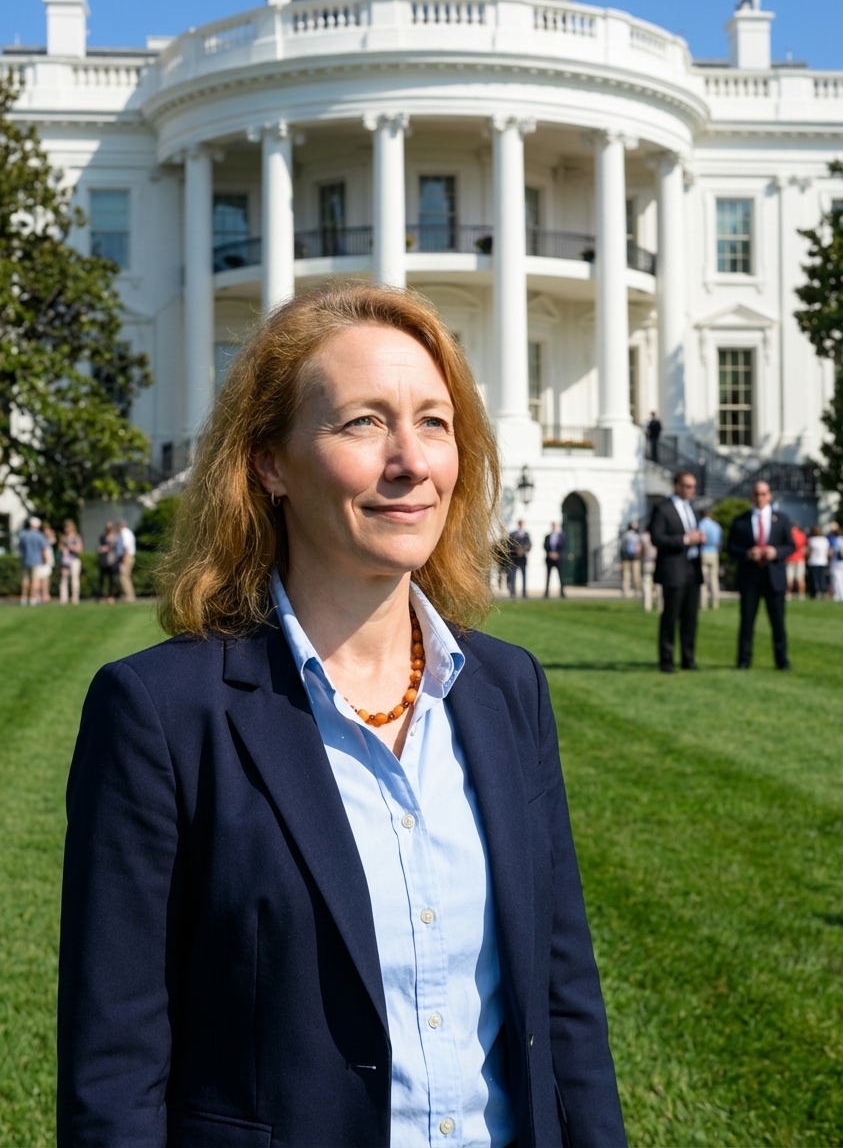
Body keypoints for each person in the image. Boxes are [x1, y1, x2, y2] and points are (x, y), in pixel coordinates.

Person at [58, 285, 626, 1148]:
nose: (412, 462)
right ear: (269, 463)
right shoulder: (162, 715)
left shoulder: (506, 690)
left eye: (434, 423)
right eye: (363, 422)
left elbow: (563, 1001)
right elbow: (115, 1069)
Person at [727, 481, 795, 670]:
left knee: (778, 623)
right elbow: (731, 547)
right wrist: (748, 553)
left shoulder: (781, 519)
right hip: (750, 578)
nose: (760, 498)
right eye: (757, 494)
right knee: (747, 622)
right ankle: (743, 660)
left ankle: (782, 661)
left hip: (774, 577)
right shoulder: (741, 520)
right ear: (752, 496)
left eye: (764, 494)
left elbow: (790, 545)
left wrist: (776, 552)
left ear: (770, 495)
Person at [649, 471, 705, 672]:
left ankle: (688, 659)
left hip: (692, 568)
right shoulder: (663, 509)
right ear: (677, 486)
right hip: (672, 569)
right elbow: (657, 538)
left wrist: (699, 538)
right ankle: (666, 660)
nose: (692, 490)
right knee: (670, 617)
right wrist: (684, 540)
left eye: (693, 487)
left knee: (691, 617)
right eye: (688, 486)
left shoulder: (692, 509)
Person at [18, 516, 49, 606]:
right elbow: (43, 549)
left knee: (25, 579)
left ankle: (23, 598)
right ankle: (32, 598)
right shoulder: (39, 535)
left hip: (25, 560)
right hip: (36, 560)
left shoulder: (23, 534)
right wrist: (45, 559)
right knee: (35, 580)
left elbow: (20, 547)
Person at [697, 507, 723, 610]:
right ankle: (715, 603)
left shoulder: (700, 525)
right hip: (714, 553)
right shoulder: (716, 526)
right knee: (714, 579)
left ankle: (703, 603)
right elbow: (719, 541)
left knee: (703, 580)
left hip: (704, 552)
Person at [59, 520, 84, 605]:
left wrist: (71, 547)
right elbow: (60, 549)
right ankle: (63, 598)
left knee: (74, 579)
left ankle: (75, 598)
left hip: (74, 560)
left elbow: (80, 550)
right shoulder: (63, 538)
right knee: (64, 579)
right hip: (65, 561)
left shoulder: (76, 537)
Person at [507, 518, 531, 599]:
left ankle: (524, 592)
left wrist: (523, 550)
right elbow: (509, 545)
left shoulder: (526, 534)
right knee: (513, 575)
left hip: (522, 558)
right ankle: (512, 592)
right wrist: (517, 550)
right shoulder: (513, 534)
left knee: (524, 576)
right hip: (514, 558)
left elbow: (529, 545)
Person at [96, 522, 120, 604]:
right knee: (102, 579)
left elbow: (118, 549)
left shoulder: (116, 537)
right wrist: (102, 549)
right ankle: (101, 596)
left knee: (112, 580)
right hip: (104, 561)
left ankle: (111, 596)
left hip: (113, 561)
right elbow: (99, 548)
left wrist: (109, 548)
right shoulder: (102, 537)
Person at [806, 524, 830, 599]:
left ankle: (815, 592)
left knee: (814, 578)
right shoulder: (824, 540)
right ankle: (822, 591)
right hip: (823, 561)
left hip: (813, 561)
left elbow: (808, 551)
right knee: (821, 577)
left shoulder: (812, 540)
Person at [640, 528, 660, 614]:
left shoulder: (644, 537)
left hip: (647, 562)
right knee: (659, 585)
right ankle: (661, 606)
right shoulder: (658, 536)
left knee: (646, 585)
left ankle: (647, 606)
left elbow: (640, 550)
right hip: (657, 562)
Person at [543, 520, 566, 597]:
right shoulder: (548, 536)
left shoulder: (561, 536)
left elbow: (563, 546)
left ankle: (562, 592)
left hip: (558, 559)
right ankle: (546, 593)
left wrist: (557, 554)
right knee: (548, 576)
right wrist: (550, 553)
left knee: (561, 576)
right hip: (549, 559)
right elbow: (545, 546)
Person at [785, 522, 807, 600]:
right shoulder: (802, 534)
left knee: (789, 578)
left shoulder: (789, 534)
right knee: (800, 577)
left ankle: (788, 593)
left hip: (790, 558)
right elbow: (804, 547)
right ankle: (801, 594)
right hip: (800, 558)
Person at [620, 522, 642, 598]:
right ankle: (636, 590)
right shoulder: (636, 536)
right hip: (633, 558)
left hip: (628, 558)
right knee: (635, 575)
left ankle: (627, 591)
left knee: (628, 575)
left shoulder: (625, 535)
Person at [36, 522, 57, 603]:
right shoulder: (41, 538)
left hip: (47, 560)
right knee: (40, 579)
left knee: (45, 579)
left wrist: (51, 533)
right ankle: (40, 595)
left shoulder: (48, 539)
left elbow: (53, 540)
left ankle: (45, 594)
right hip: (42, 560)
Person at [117, 519, 137, 602]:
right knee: (125, 577)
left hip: (126, 557)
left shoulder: (125, 533)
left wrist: (124, 560)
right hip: (128, 557)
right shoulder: (127, 532)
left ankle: (129, 596)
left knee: (124, 577)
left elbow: (126, 548)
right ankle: (128, 595)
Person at [828, 522, 843, 602]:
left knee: (836, 579)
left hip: (837, 562)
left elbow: (832, 551)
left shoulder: (836, 540)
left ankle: (838, 595)